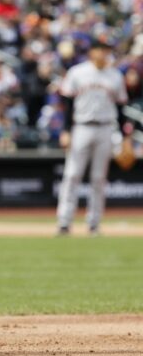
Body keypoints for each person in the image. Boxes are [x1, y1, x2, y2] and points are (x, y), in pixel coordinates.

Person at [56, 39, 129, 235]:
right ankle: (64, 222)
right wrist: (66, 130)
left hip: (106, 128)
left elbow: (121, 109)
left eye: (106, 51)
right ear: (92, 52)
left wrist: (125, 137)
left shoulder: (115, 76)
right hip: (81, 127)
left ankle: (94, 223)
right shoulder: (77, 72)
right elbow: (68, 104)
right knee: (72, 175)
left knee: (99, 178)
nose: (103, 54)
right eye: (100, 50)